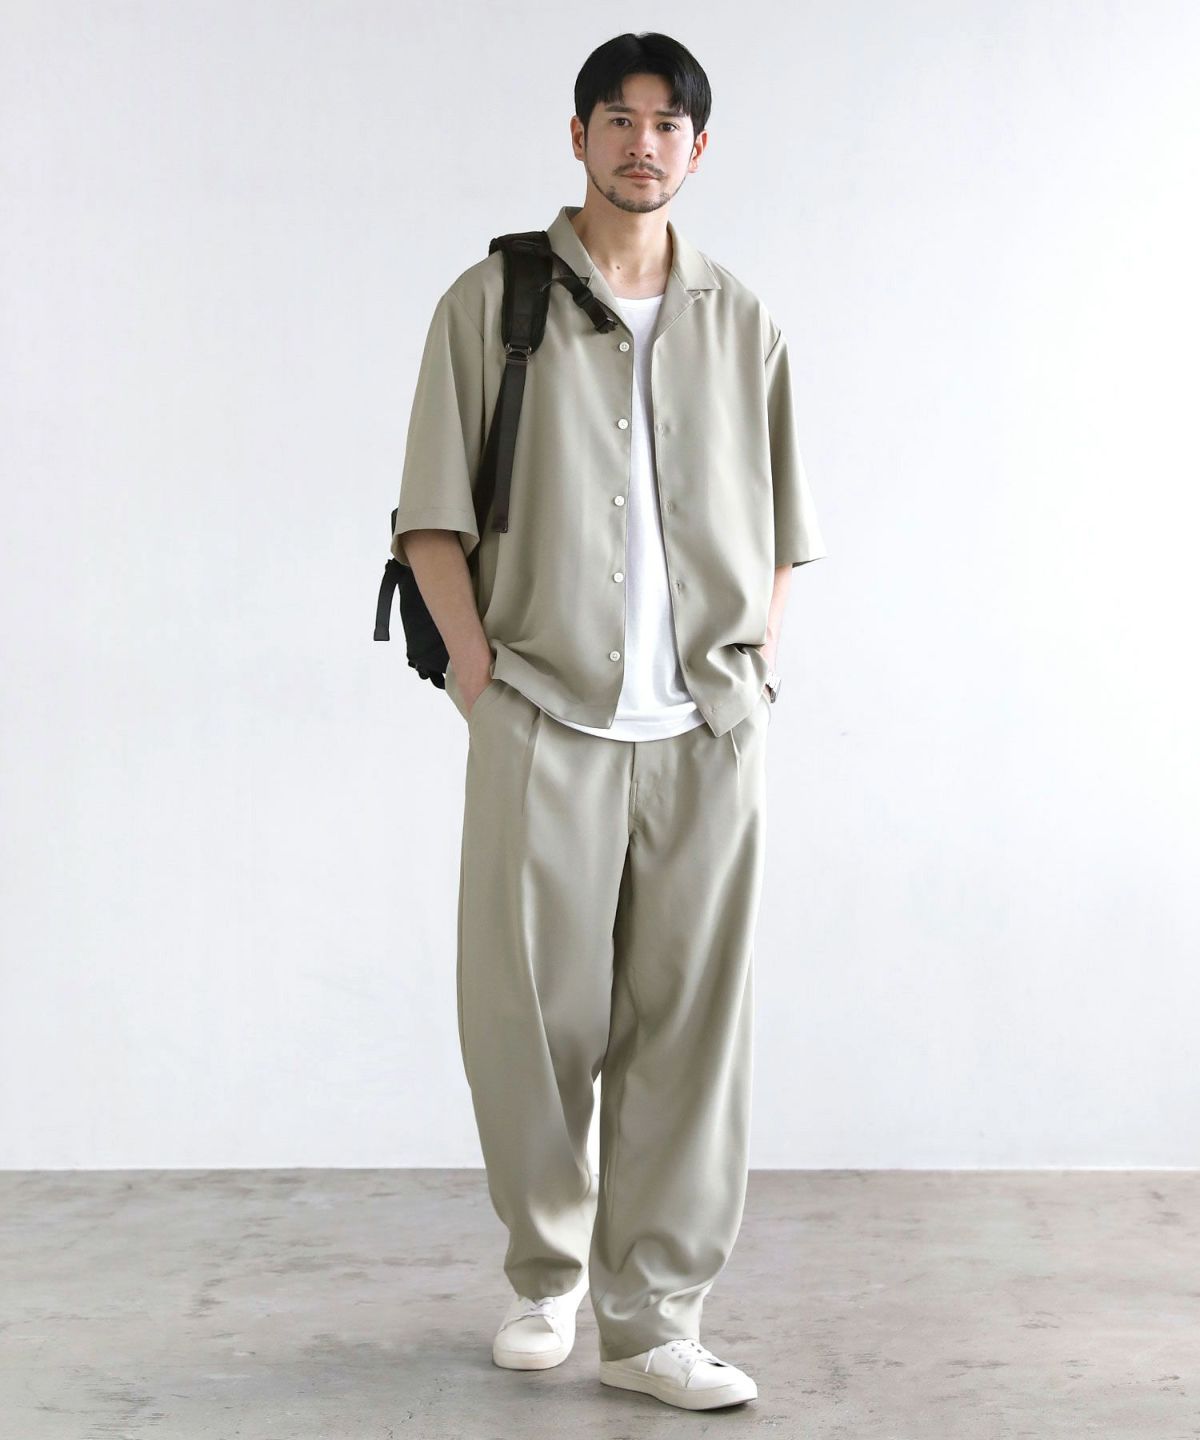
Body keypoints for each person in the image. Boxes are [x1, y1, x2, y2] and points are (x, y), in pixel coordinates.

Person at [391, 31, 827, 1413]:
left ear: (699, 148)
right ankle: (545, 1276)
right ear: (576, 136)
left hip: (706, 732)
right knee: (528, 1021)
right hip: (545, 717)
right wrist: (482, 687)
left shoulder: (742, 322)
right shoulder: (492, 302)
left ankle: (654, 1327)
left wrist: (753, 674)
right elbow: (429, 519)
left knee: (690, 1036)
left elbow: (785, 533)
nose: (645, 144)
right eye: (620, 119)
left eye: (669, 124)